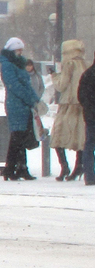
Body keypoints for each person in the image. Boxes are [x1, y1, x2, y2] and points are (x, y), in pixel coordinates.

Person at [0, 38, 41, 181]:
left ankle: (19, 167)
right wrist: (29, 99)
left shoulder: (18, 64)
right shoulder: (7, 65)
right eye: (18, 50)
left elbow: (26, 85)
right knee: (17, 137)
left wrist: (35, 99)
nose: (20, 52)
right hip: (15, 104)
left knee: (21, 137)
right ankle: (11, 168)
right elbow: (14, 85)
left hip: (23, 105)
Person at [50, 39, 88, 181]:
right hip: (81, 105)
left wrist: (54, 76)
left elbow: (62, 85)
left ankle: (64, 166)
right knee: (80, 138)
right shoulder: (84, 64)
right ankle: (79, 165)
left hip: (68, 105)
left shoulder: (69, 64)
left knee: (58, 137)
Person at [78, 57, 95, 187]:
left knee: (89, 144)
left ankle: (89, 176)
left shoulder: (87, 74)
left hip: (90, 115)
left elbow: (81, 96)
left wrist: (88, 108)